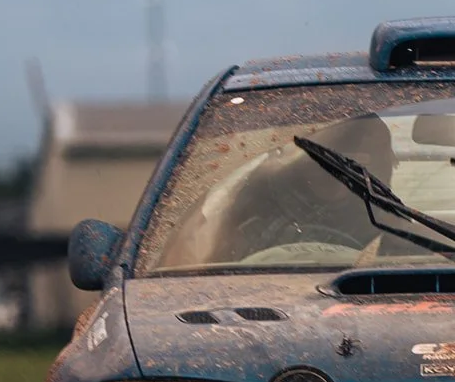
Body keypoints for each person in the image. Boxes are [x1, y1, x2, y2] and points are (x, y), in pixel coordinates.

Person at [156, 114, 399, 267]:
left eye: (363, 166)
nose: (348, 178)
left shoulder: (402, 232)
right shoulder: (242, 216)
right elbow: (193, 277)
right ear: (301, 163)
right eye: (327, 164)